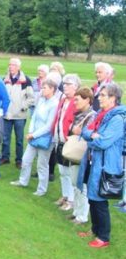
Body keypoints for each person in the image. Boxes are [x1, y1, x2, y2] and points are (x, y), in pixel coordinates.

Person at [77, 83, 126, 248]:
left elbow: (103, 142)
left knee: (100, 201)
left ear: (113, 98)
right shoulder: (100, 114)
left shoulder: (117, 119)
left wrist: (92, 139)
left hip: (105, 165)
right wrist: (93, 135)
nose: (99, 98)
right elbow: (85, 131)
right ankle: (94, 229)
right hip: (94, 161)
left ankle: (103, 237)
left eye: (103, 95)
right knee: (92, 197)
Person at [10, 79, 59, 194]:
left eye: (45, 88)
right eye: (42, 88)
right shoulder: (41, 100)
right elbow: (34, 116)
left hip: (46, 138)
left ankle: (41, 189)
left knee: (42, 164)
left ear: (52, 89)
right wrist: (31, 131)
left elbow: (49, 125)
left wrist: (33, 134)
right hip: (34, 136)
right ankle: (23, 181)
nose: (42, 90)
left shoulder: (55, 104)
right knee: (26, 160)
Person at [52, 74, 81, 211]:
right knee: (62, 171)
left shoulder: (77, 102)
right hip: (59, 139)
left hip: (69, 141)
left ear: (75, 86)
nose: (65, 86)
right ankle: (65, 195)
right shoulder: (63, 100)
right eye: (64, 83)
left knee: (69, 172)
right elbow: (58, 118)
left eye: (68, 84)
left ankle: (71, 200)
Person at [67, 87, 95, 224]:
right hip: (75, 155)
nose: (75, 102)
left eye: (77, 100)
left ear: (87, 100)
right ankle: (76, 212)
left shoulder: (92, 116)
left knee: (82, 186)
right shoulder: (78, 114)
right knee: (74, 184)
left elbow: (86, 133)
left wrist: (77, 131)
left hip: (83, 155)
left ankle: (82, 216)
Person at [2, 58, 34, 169]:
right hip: (7, 115)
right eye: (10, 64)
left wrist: (23, 107)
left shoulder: (26, 81)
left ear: (19, 67)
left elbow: (31, 98)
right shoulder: (4, 79)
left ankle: (19, 160)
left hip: (20, 115)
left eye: (14, 65)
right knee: (5, 138)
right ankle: (5, 157)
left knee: (19, 140)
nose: (11, 67)